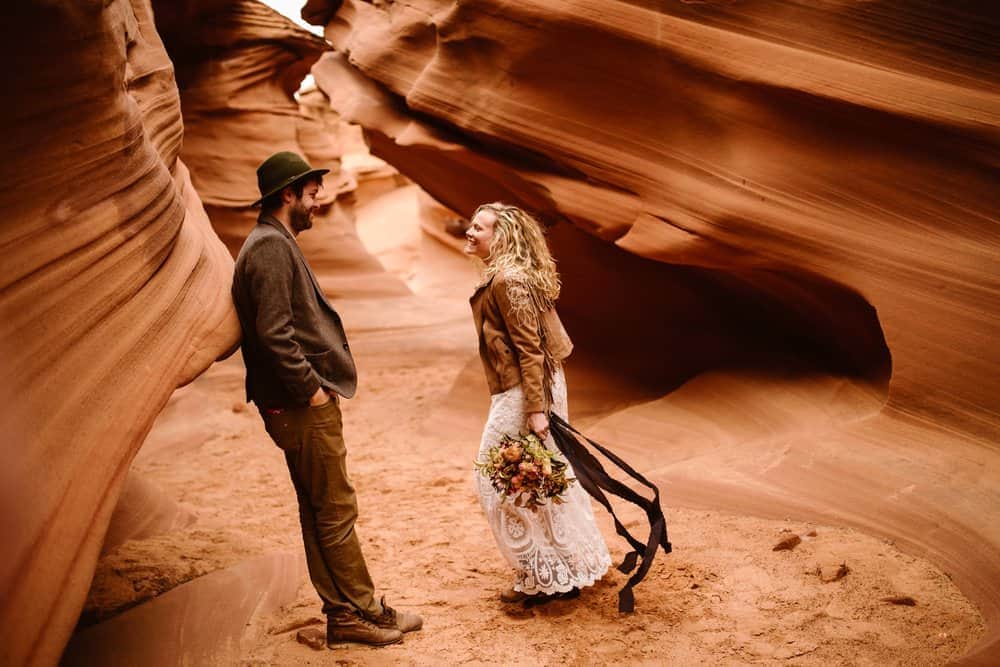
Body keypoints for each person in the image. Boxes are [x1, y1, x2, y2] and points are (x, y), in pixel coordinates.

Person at [232, 151, 421, 647]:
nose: (318, 202)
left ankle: (347, 612)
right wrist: (312, 392)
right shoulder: (270, 247)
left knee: (321, 509)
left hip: (292, 405)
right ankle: (361, 612)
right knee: (335, 509)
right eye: (312, 194)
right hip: (299, 407)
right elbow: (275, 335)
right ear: (288, 194)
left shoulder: (270, 243)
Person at [465, 202, 611, 604]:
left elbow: (531, 351)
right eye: (472, 225)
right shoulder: (505, 277)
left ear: (502, 237)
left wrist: (535, 409)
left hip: (526, 392)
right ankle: (562, 572)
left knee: (500, 479)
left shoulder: (508, 282)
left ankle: (544, 573)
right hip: (528, 389)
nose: (470, 232)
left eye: (480, 227)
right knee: (538, 475)